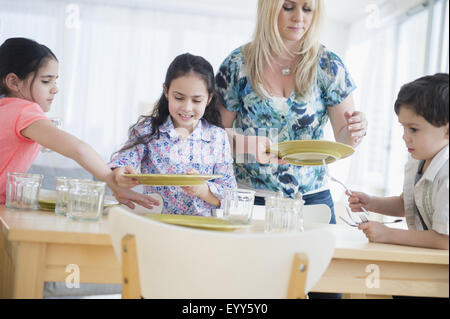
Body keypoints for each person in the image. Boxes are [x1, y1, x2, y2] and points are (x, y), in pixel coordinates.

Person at [215, 0, 368, 225]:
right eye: (288, 7)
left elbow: (343, 141)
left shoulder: (328, 65)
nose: (299, 18)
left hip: (313, 200)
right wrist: (246, 144)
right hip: (249, 198)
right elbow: (214, 138)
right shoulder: (237, 64)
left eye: (307, 9)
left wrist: (356, 131)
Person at [0, 37, 159, 210]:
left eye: (55, 80)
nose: (55, 89)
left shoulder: (6, 108)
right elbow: (78, 149)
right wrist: (113, 183)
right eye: (46, 81)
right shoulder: (25, 111)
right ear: (13, 82)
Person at [109, 53, 237, 216]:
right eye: (179, 98)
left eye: (196, 100)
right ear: (166, 91)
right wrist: (120, 172)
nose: (187, 108)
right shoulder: (148, 130)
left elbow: (231, 198)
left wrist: (202, 190)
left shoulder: (218, 137)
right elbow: (125, 159)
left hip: (202, 230)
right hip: (156, 225)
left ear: (209, 98)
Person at [348, 73, 449, 250]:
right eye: (403, 127)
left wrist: (388, 234)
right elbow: (407, 203)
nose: (405, 137)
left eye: (414, 129)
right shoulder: (418, 161)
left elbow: (445, 240)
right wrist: (371, 202)